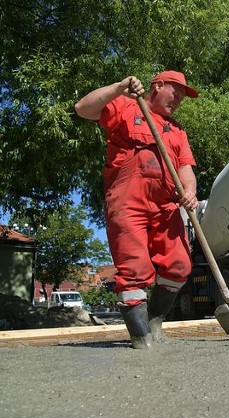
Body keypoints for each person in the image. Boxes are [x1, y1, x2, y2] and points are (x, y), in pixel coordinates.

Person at [75, 71, 200, 348]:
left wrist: (189, 191)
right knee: (134, 269)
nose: (179, 99)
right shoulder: (126, 106)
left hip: (166, 205)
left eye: (182, 96)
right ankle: (141, 339)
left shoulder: (178, 131)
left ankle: (154, 320)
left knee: (179, 265)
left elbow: (185, 169)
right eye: (175, 92)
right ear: (158, 85)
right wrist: (119, 87)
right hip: (128, 200)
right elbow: (83, 108)